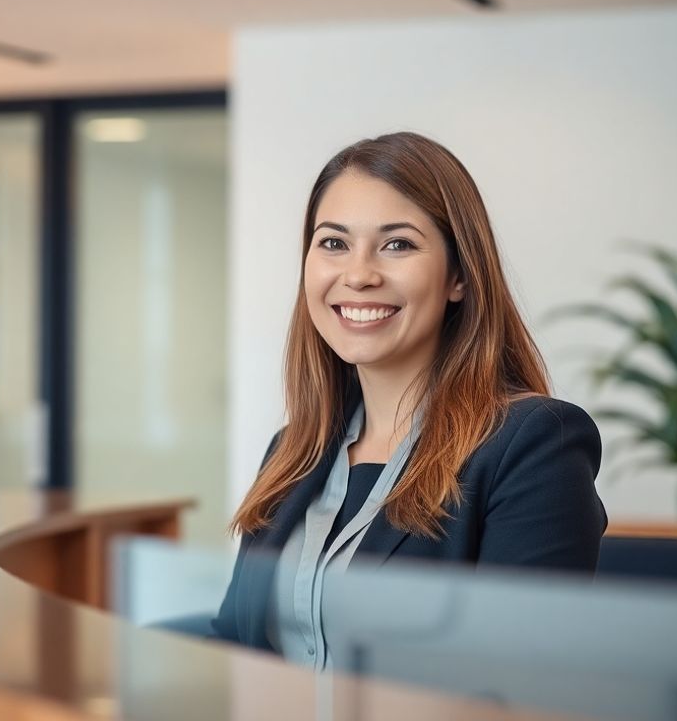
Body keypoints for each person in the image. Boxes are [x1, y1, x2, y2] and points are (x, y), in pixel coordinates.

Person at [211, 132, 607, 666]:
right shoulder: (295, 450)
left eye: (398, 244)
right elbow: (235, 645)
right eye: (333, 243)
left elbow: (517, 685)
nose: (358, 274)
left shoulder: (533, 445)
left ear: (459, 277)